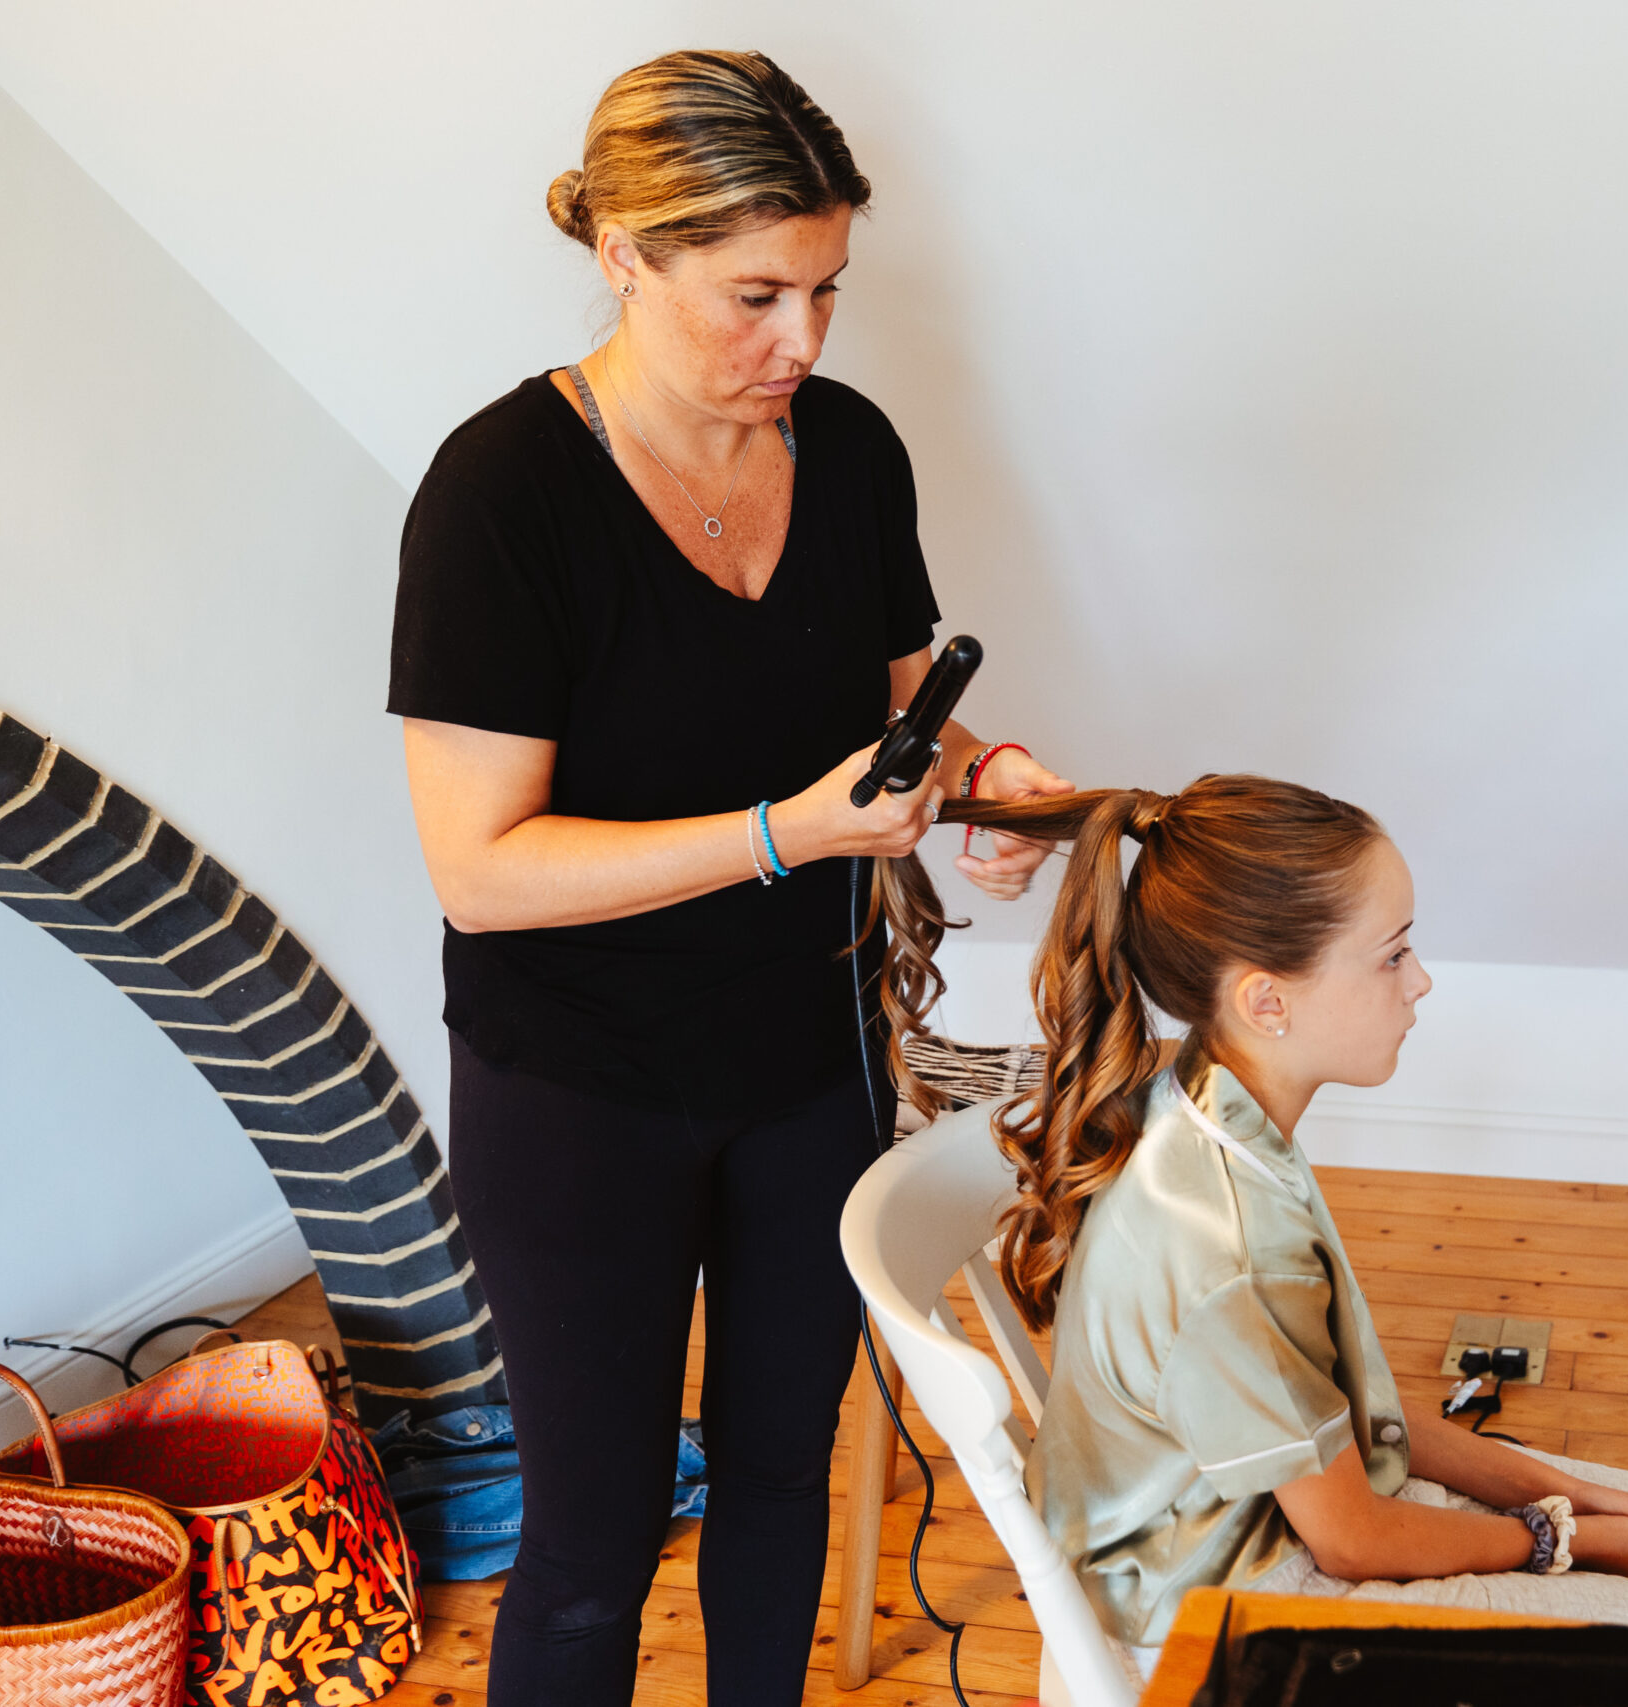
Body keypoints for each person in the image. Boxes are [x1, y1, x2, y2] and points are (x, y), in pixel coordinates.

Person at [386, 50, 1069, 1707]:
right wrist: (786, 832)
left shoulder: (846, 451)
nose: (804, 341)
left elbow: (901, 700)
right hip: (580, 1089)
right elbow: (480, 872)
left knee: (779, 1477)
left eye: (829, 289)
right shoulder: (503, 497)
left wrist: (986, 775)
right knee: (592, 1548)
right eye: (757, 293)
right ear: (626, 253)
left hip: (804, 1067)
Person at [930, 776, 1628, 1689]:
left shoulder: (1211, 1099)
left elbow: (1348, 1411)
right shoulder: (1229, 1241)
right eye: (1392, 955)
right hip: (1221, 1614)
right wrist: (1557, 1533)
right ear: (1267, 1002)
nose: (1422, 981)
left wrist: (1574, 1498)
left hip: (1271, 1522)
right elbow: (1353, 1535)